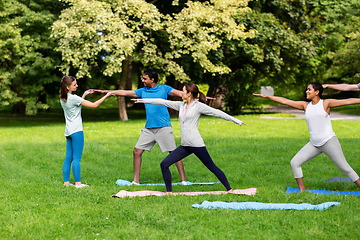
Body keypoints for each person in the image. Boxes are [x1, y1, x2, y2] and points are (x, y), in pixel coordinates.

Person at [132, 83, 245, 194]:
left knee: (211, 166)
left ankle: (229, 190)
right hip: (185, 145)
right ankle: (169, 192)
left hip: (196, 144)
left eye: (184, 91)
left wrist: (236, 120)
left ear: (190, 93)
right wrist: (141, 100)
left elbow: (217, 113)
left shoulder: (198, 106)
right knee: (164, 164)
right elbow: (162, 102)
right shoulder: (181, 105)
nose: (181, 93)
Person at [253, 82, 360, 192]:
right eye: (307, 89)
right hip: (314, 144)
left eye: (309, 89)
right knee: (295, 163)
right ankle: (302, 191)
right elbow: (285, 101)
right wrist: (267, 96)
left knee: (345, 168)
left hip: (329, 142)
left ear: (317, 92)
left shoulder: (326, 103)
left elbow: (347, 101)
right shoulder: (305, 106)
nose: (306, 91)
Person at [94, 68, 187, 185]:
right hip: (149, 128)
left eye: (145, 78)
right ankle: (135, 181)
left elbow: (182, 94)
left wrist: (197, 96)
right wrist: (105, 92)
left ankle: (184, 181)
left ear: (152, 79)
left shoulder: (164, 89)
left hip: (163, 127)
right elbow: (125, 92)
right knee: (137, 151)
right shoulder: (143, 91)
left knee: (173, 153)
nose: (142, 80)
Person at [60, 76, 114, 188]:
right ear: (68, 87)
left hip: (68, 131)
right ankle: (78, 184)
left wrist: (84, 95)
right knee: (76, 158)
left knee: (68, 158)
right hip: (77, 131)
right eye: (74, 85)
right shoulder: (73, 98)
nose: (77, 86)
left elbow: (77, 104)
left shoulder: (63, 98)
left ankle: (66, 183)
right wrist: (107, 95)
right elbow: (94, 105)